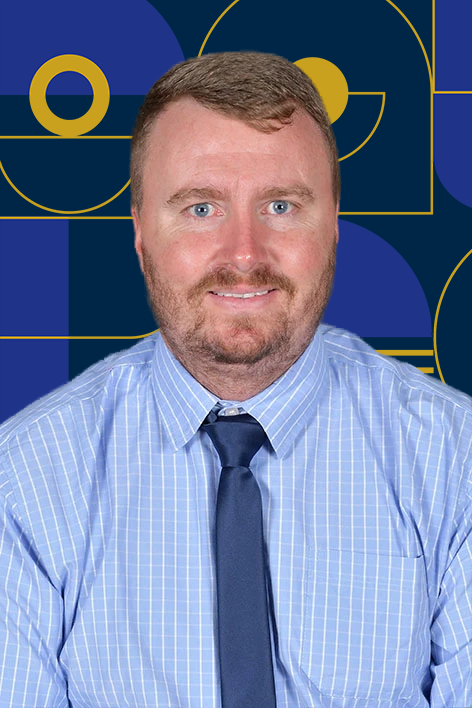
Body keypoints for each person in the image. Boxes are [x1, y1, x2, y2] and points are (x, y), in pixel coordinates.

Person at [0, 52, 471, 708]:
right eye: (201, 209)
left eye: (281, 205)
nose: (244, 255)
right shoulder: (26, 480)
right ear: (139, 231)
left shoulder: (454, 459)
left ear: (334, 224)